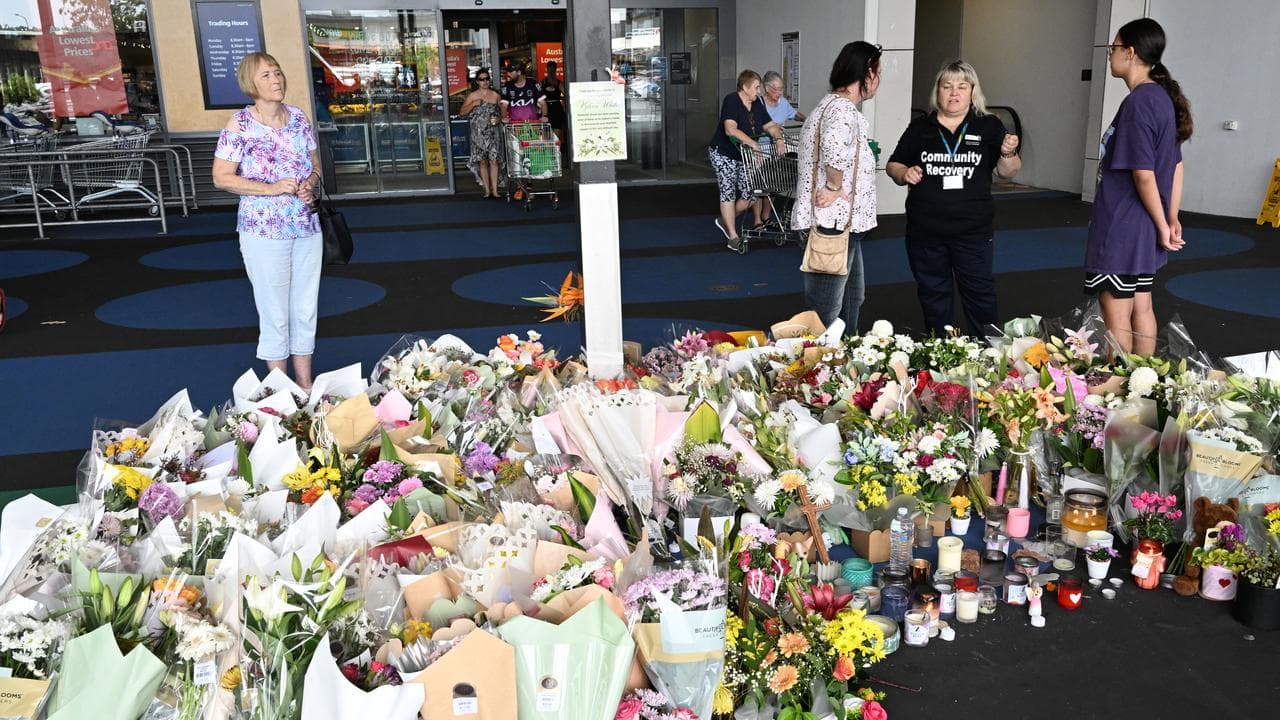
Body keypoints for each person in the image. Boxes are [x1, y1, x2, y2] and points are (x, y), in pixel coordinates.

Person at [212, 52, 322, 393]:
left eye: (278, 72)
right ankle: (279, 388)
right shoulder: (240, 125)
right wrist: (270, 188)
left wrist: (310, 184)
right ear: (251, 83)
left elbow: (315, 165)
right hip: (263, 230)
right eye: (266, 75)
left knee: (305, 308)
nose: (276, 79)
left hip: (306, 226)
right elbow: (221, 177)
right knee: (274, 310)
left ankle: (305, 384)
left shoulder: (299, 117)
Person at [886, 60, 1021, 336]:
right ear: (938, 91)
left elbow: (1008, 172)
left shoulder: (988, 125)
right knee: (933, 295)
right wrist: (904, 173)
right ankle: (942, 350)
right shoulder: (920, 127)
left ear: (973, 91)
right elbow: (893, 164)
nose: (954, 93)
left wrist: (1007, 152)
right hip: (925, 231)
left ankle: (987, 351)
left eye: (961, 86)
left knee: (980, 294)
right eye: (947, 86)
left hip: (973, 230)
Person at [1085, 18, 1190, 355]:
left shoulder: (1139, 103)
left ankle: (1119, 383)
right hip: (1143, 225)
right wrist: (1170, 217)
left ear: (1130, 53)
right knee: (1141, 306)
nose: (1110, 54)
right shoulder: (1161, 98)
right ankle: (1145, 379)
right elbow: (1176, 166)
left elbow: (1143, 173)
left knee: (1116, 314)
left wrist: (1164, 225)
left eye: (1114, 48)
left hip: (1123, 225)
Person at [791, 41, 882, 331]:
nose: (879, 81)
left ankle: (847, 351)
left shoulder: (830, 105)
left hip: (841, 224)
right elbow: (832, 147)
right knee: (826, 311)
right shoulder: (842, 110)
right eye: (878, 73)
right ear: (868, 73)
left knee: (852, 298)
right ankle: (824, 357)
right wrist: (833, 186)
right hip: (832, 223)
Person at [709, 69, 784, 252]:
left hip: (744, 155)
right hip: (724, 153)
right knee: (728, 191)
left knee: (751, 194)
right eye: (756, 87)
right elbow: (730, 129)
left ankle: (726, 219)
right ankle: (733, 237)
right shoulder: (732, 100)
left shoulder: (757, 103)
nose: (759, 91)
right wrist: (753, 144)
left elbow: (770, 125)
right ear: (745, 87)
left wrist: (778, 138)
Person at [460, 68, 503, 198]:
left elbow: (504, 112)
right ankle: (487, 190)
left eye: (487, 79)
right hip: (478, 135)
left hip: (493, 133)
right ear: (477, 81)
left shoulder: (495, 95)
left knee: (494, 161)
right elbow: (462, 112)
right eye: (481, 79)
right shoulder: (472, 96)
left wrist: (499, 118)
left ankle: (495, 190)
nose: (485, 81)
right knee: (483, 162)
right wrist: (473, 104)